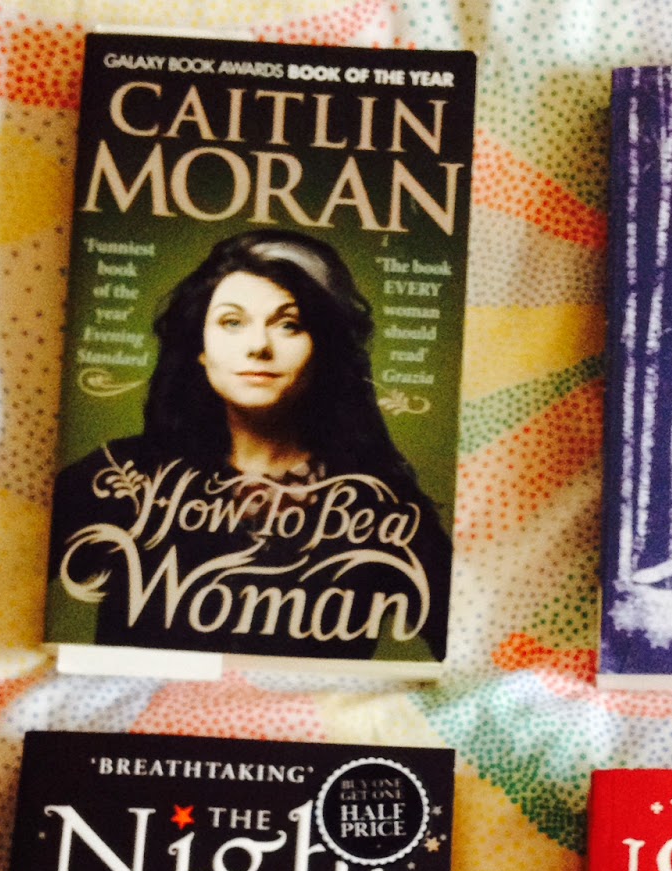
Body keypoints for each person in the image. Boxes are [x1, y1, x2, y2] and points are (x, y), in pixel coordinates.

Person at [49, 229, 450, 655]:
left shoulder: (380, 508)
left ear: (325, 348)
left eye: (290, 325)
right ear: (200, 346)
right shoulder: (123, 478)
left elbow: (477, 653)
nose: (258, 346)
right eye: (232, 323)